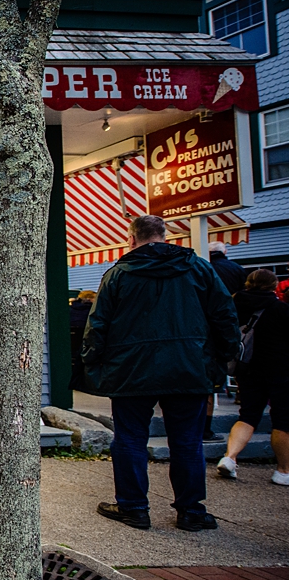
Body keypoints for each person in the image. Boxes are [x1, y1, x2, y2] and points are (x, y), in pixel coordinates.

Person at [82, 215, 239, 532]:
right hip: (188, 366)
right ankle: (191, 511)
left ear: (132, 237)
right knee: (187, 441)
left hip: (132, 370)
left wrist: (91, 361)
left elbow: (97, 325)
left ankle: (133, 506)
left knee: (129, 438)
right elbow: (225, 315)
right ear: (166, 237)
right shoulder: (198, 268)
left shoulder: (118, 275)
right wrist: (221, 357)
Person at [216, 269, 289, 484]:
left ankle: (229, 458)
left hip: (246, 368)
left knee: (247, 415)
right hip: (280, 371)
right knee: (282, 420)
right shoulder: (281, 309)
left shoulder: (233, 304)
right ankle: (283, 471)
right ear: (274, 286)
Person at [68, 290, 96, 393]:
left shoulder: (70, 309)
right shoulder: (91, 310)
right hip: (84, 342)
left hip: (71, 342)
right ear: (89, 299)